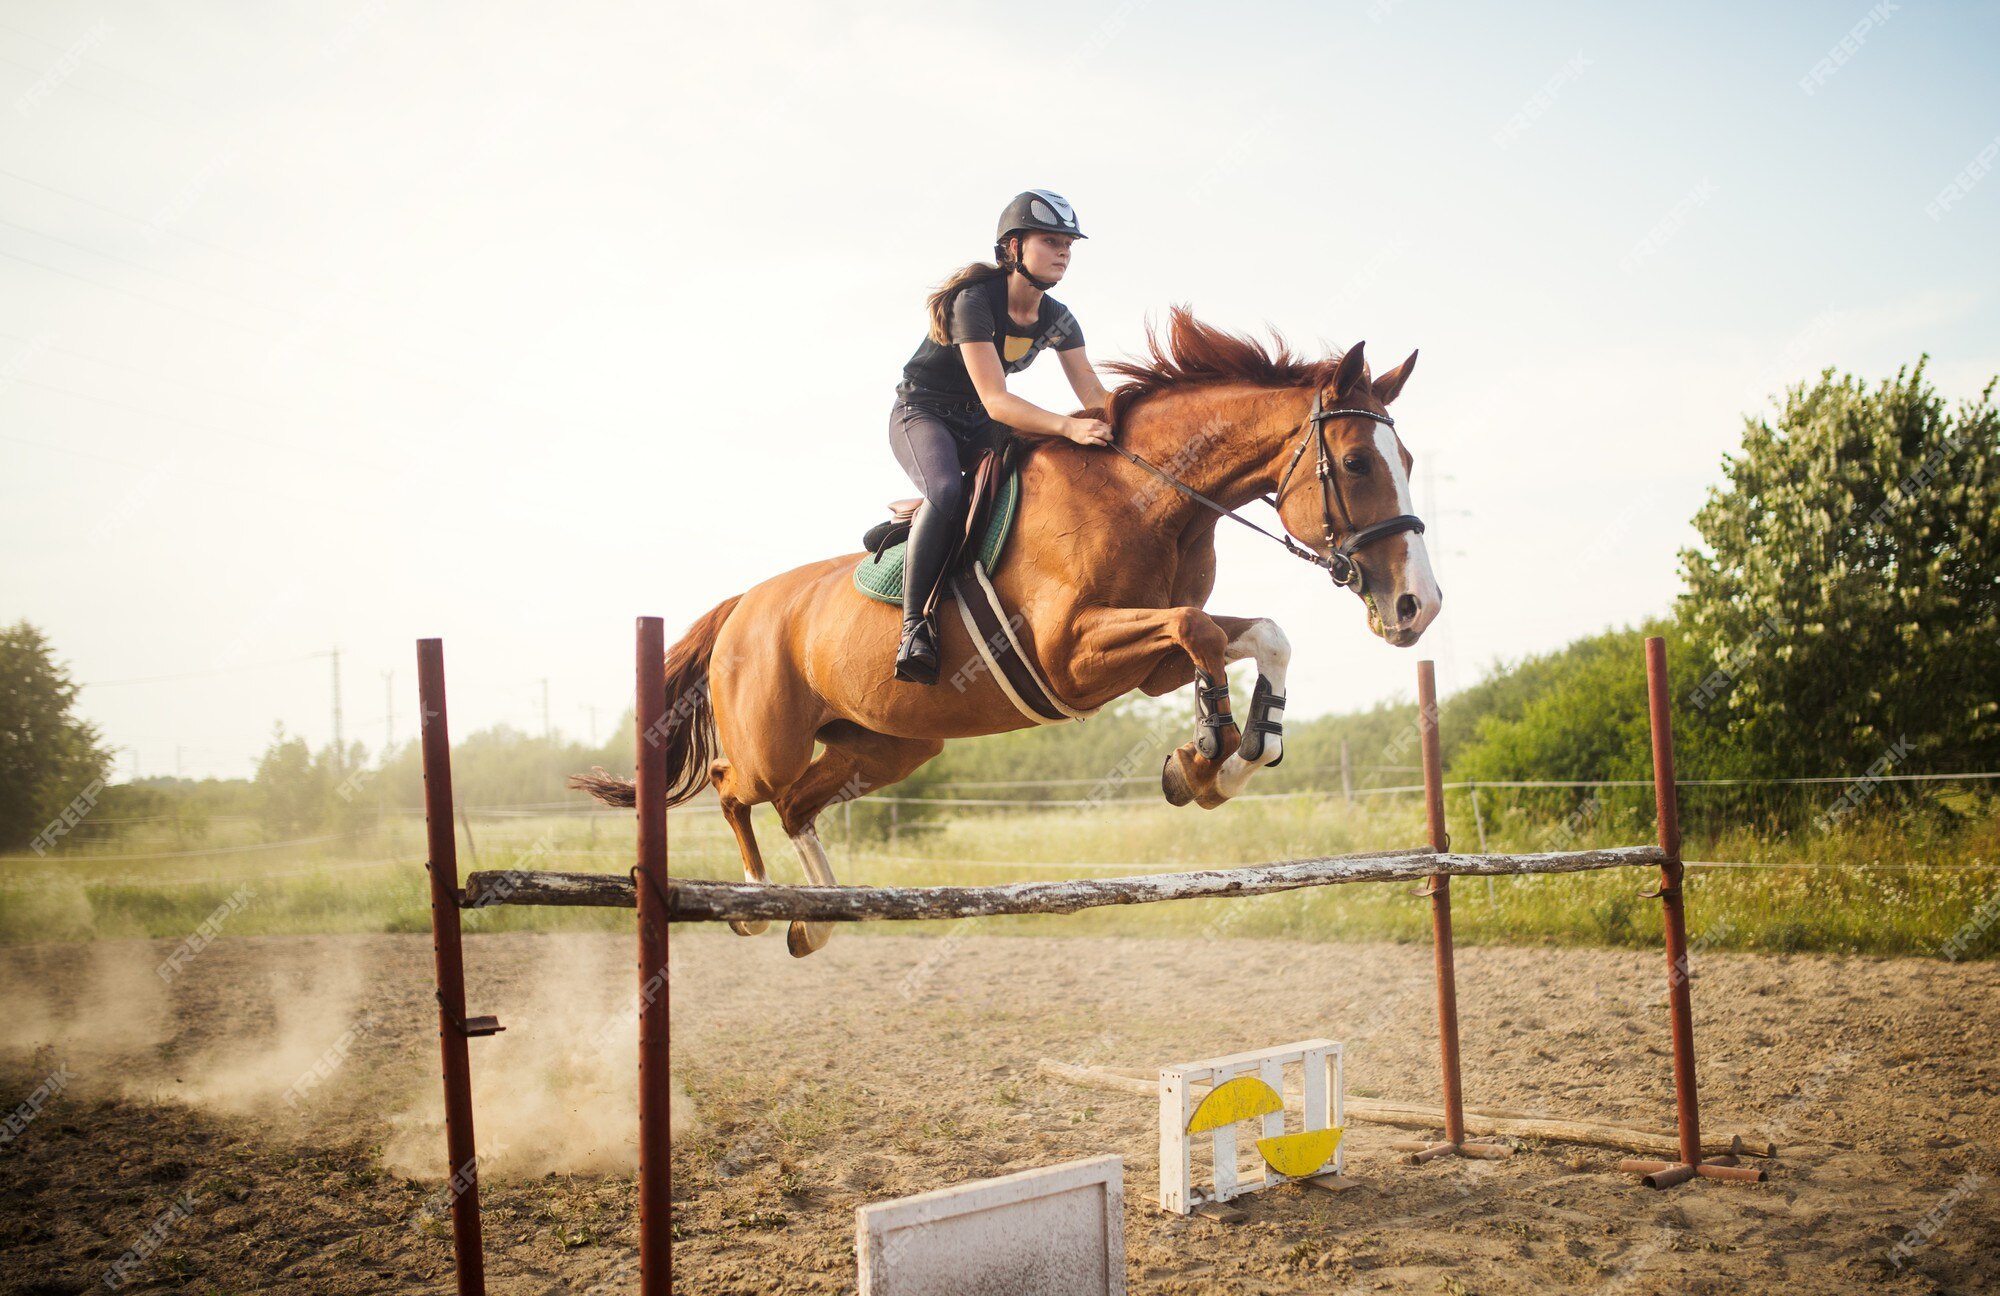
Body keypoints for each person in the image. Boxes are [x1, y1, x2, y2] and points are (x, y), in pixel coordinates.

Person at [887, 189, 1114, 684]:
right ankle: (914, 628)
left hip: (981, 422)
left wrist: (1129, 426)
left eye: (1069, 245)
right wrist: (1068, 425)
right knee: (947, 489)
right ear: (1013, 249)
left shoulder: (1059, 318)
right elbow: (996, 398)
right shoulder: (975, 301)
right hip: (924, 413)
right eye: (1051, 241)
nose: (1063, 253)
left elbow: (1093, 390)